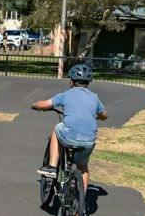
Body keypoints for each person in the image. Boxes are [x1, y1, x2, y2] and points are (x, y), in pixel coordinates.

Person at [32, 62, 108, 195]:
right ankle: (81, 200)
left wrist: (35, 105)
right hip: (89, 140)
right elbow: (105, 115)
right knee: (82, 167)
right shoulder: (94, 97)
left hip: (69, 135)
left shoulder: (66, 95)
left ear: (71, 81)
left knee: (57, 128)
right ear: (88, 83)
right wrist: (99, 117)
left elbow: (45, 104)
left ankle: (52, 167)